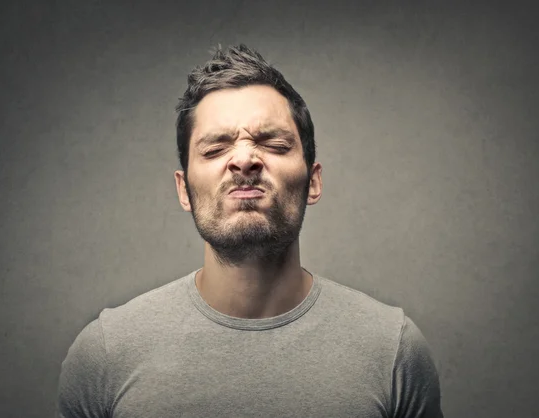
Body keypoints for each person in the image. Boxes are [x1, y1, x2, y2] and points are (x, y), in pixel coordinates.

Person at [56, 44, 443, 418]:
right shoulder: (107, 352)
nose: (243, 159)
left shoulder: (392, 349)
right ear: (183, 189)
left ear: (312, 181)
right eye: (214, 150)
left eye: (272, 144)